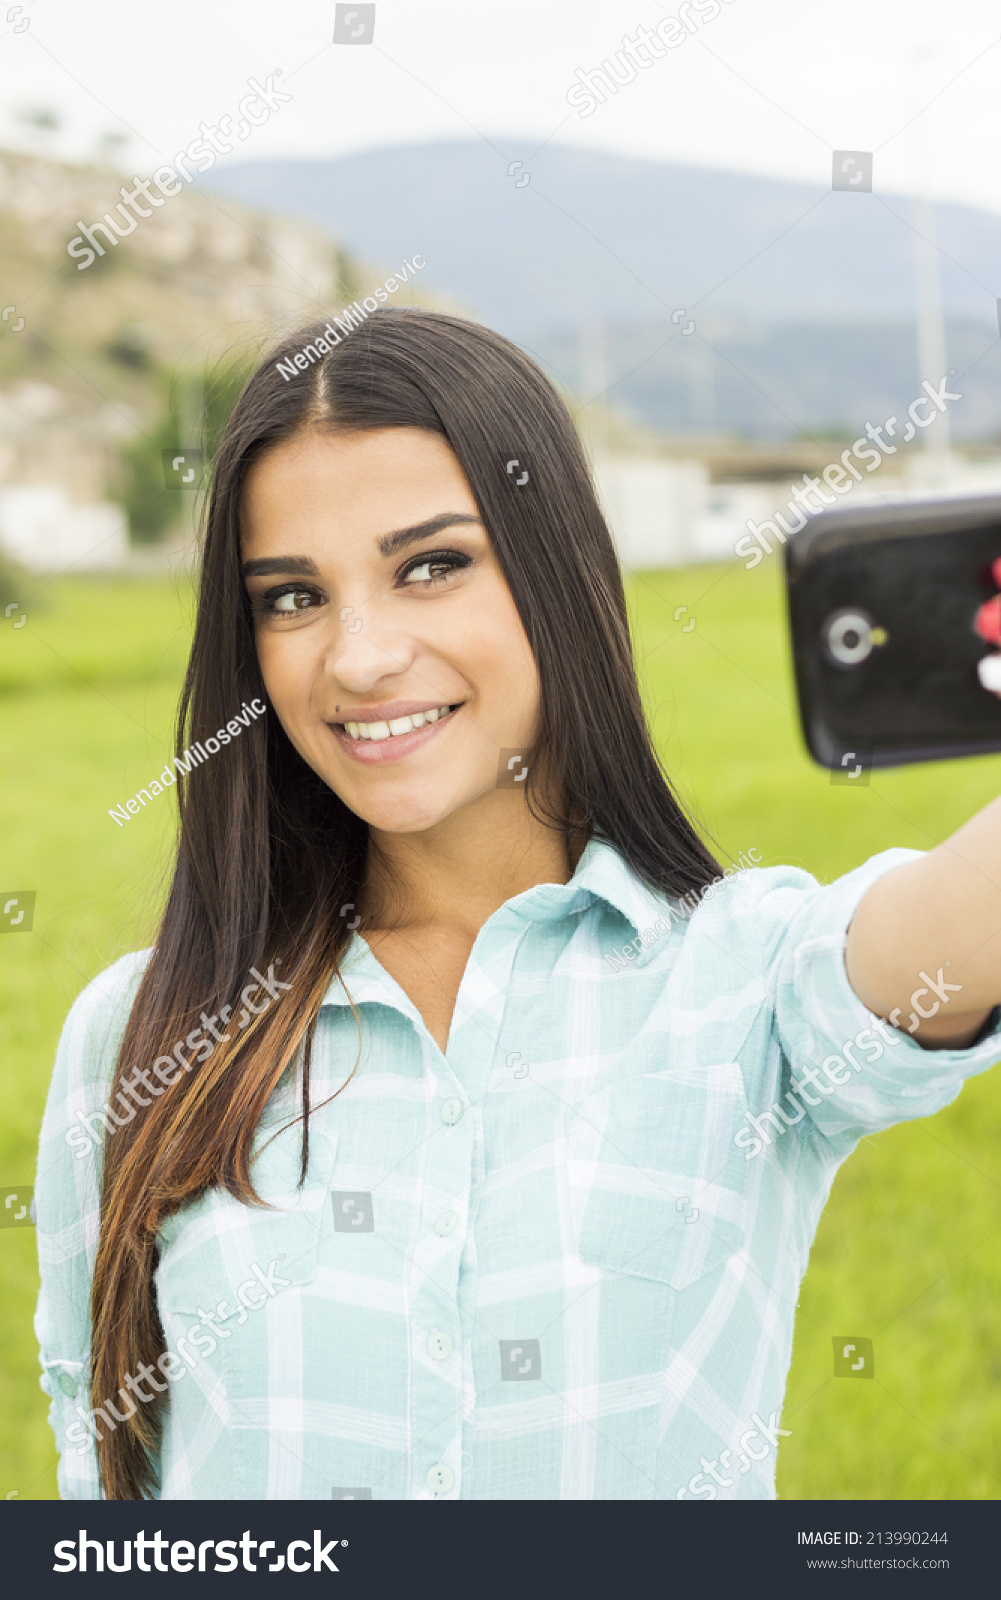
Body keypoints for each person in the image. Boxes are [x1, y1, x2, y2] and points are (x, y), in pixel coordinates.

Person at [33, 308, 1001, 1501]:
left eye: (430, 565)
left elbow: (958, 920)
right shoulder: (136, 1035)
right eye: (291, 595)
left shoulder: (742, 978)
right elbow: (104, 1474)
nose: (358, 656)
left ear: (553, 573)